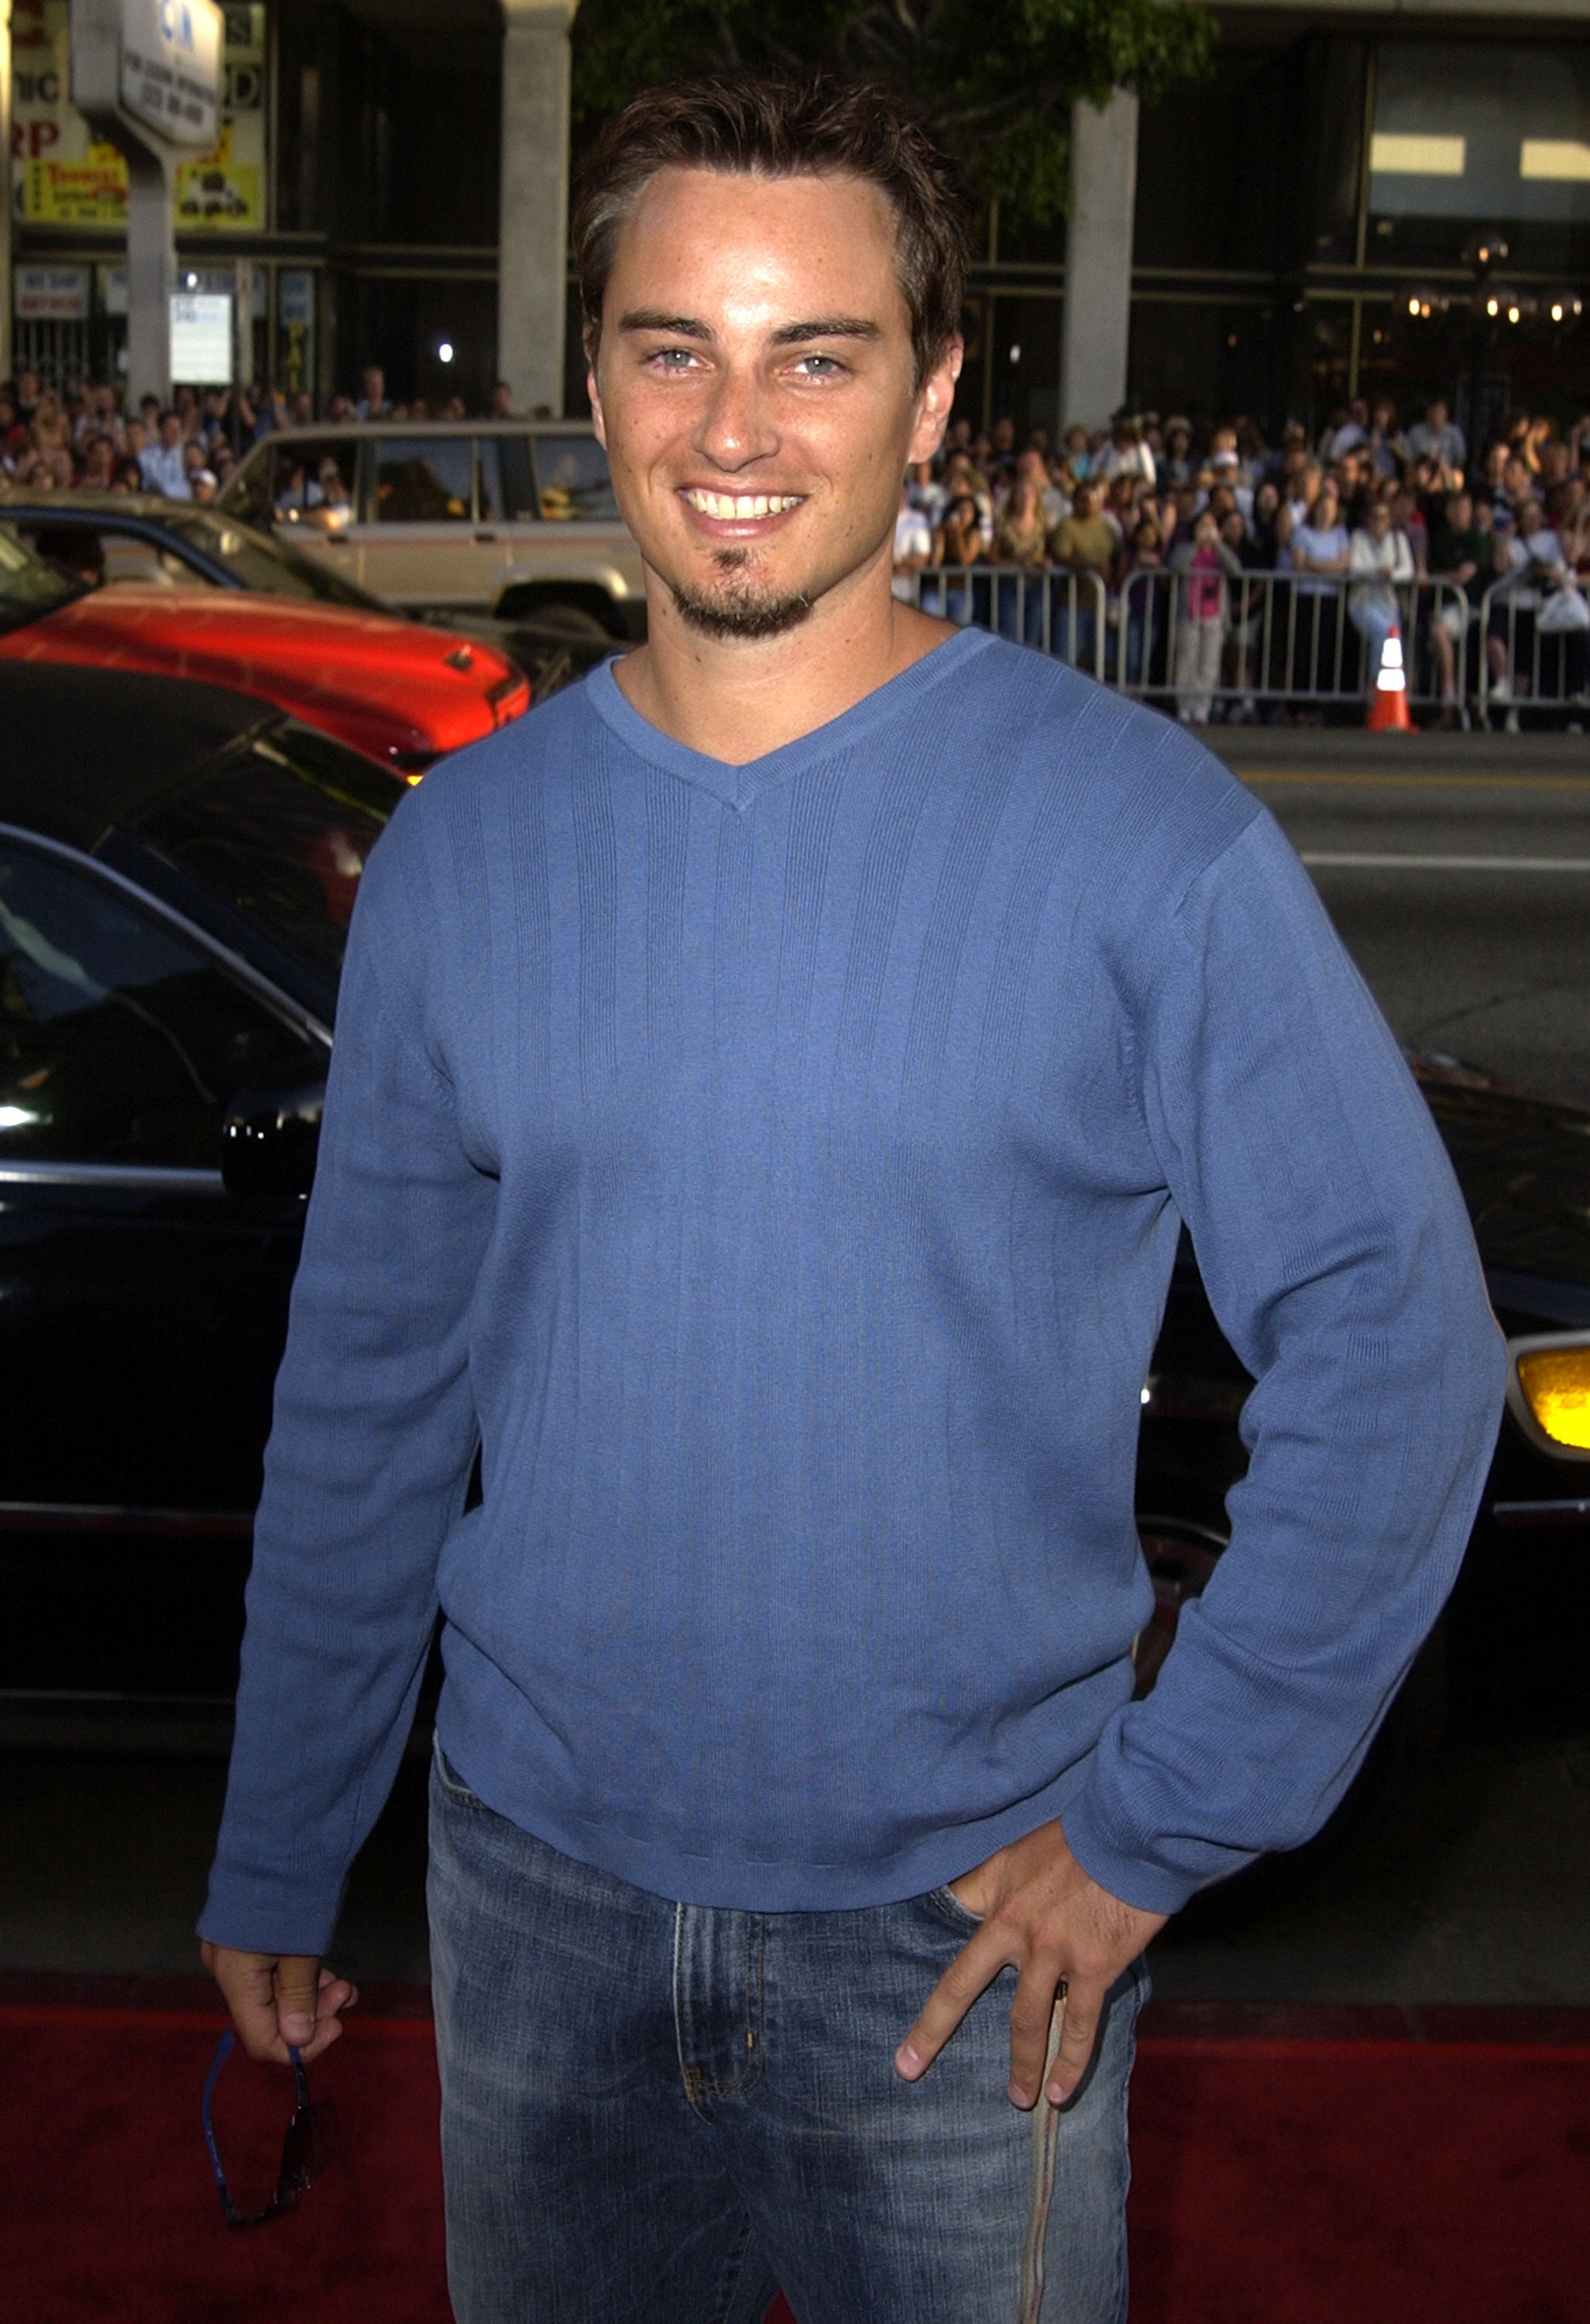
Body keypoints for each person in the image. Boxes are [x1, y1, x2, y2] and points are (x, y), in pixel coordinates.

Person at [200, 70, 1503, 2324]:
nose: (738, 420)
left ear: (936, 394)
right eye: (672, 342)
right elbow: (368, 1394)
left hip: (967, 1936)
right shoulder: (458, 856)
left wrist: (1154, 1824)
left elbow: (1402, 1345)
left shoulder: (1145, 840)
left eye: (820, 350)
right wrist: (280, 1829)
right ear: (590, 370)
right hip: (532, 1916)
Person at [1167, 507, 1240, 723]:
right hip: (1189, 613)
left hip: (1214, 614)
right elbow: (1176, 567)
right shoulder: (1185, 548)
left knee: (1208, 663)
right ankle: (1184, 706)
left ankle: (1202, 706)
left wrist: (1217, 544)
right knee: (1186, 660)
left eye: (1211, 526)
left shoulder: (1221, 551)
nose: (1206, 530)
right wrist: (1196, 546)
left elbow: (1236, 570)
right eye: (1203, 525)